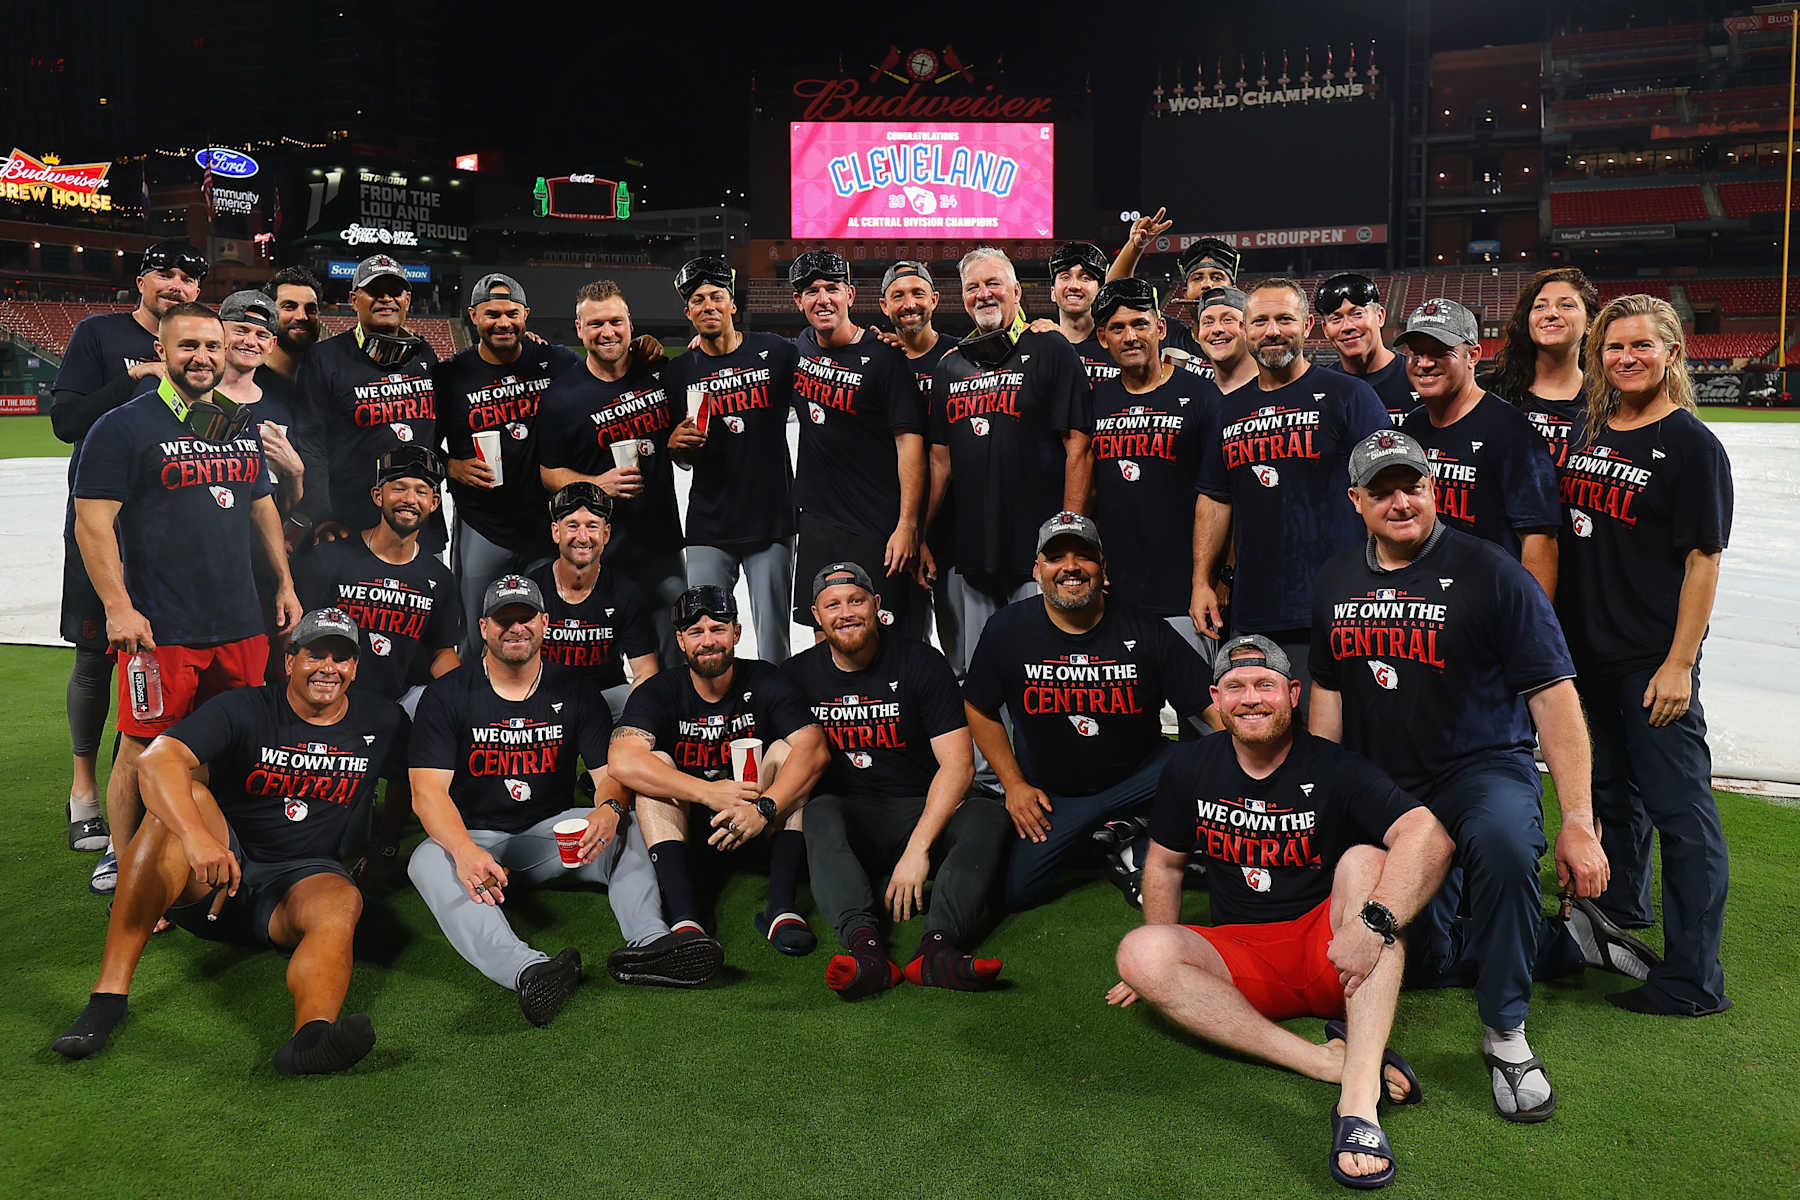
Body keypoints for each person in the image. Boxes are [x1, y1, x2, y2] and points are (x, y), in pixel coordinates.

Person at [1310, 429, 1657, 1123]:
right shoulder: (1336, 580)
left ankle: (1506, 1034)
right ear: (1356, 501)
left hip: (1482, 766)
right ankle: (1561, 942)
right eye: (1381, 491)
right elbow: (1329, 696)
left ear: (1434, 487)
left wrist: (1579, 820)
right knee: (1428, 956)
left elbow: (1554, 697)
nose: (1400, 501)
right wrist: (1324, 795)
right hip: (1390, 783)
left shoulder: (1493, 571)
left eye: (1412, 485)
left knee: (1501, 851)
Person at [1110, 636, 1453, 1190]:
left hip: (1334, 956)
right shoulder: (1189, 766)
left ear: (1292, 694)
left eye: (1265, 685)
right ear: (1215, 699)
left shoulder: (1334, 764)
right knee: (1137, 951)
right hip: (1243, 961)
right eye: (1236, 687)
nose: (1251, 698)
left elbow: (1429, 836)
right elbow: (1166, 866)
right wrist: (1156, 969)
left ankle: (1358, 1105)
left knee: (1368, 861)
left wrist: (1375, 924)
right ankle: (1322, 1061)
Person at [51, 608, 404, 1074]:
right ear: (289, 660)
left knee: (343, 900)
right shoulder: (246, 707)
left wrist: (383, 848)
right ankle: (107, 1000)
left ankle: (312, 1037)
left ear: (355, 668)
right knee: (178, 806)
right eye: (315, 655)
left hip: (298, 888)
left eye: (341, 658)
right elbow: (155, 763)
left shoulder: (384, 720)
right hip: (216, 872)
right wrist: (196, 839)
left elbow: (414, 783)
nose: (328, 668)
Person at [408, 575, 719, 1025]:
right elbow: (427, 793)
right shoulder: (448, 693)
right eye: (503, 619)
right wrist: (463, 851)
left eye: (526, 617)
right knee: (424, 860)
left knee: (631, 827)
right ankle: (528, 970)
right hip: (475, 837)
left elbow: (606, 777)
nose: (516, 628)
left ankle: (652, 944)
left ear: (545, 623)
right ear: (483, 627)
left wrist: (610, 809)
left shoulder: (574, 689)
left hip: (551, 833)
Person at [73, 303, 302, 895]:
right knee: (141, 749)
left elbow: (261, 505)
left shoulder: (236, 424)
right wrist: (119, 606)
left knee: (236, 744)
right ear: (162, 354)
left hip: (240, 622)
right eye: (187, 347)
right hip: (162, 628)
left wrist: (283, 581)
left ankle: (223, 852)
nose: (201, 358)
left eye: (211, 347)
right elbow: (92, 525)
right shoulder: (123, 426)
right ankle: (128, 872)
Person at [1558, 295, 1733, 1017]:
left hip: (1650, 659)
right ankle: (1621, 918)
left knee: (1682, 814)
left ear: (1672, 354)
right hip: (1589, 653)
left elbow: (1704, 559)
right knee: (1612, 797)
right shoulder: (1592, 426)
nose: (1625, 358)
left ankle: (1694, 980)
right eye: (1612, 348)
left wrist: (1679, 664)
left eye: (1640, 346)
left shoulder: (1692, 445)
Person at [963, 513, 1210, 910]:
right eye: (1056, 557)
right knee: (1018, 891)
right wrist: (1014, 785)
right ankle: (1120, 837)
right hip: (1056, 795)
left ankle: (1136, 838)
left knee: (1210, 761)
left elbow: (1209, 705)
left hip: (1141, 776)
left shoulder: (1143, 626)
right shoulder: (1007, 629)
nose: (1071, 567)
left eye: (1084, 556)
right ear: (1038, 570)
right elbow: (978, 707)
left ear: (1103, 568)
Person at [49, 241, 206, 860]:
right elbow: (66, 422)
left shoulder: (197, 341)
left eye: (188, 276)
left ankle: (149, 789)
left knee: (162, 664)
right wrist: (133, 379)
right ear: (141, 279)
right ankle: (83, 789)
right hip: (102, 525)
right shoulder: (99, 334)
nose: (176, 284)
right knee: (95, 656)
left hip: (172, 534)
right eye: (164, 272)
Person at [785, 563, 1008, 997]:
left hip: (921, 807)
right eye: (833, 605)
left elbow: (958, 765)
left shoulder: (921, 661)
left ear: (876, 606)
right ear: (816, 615)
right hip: (852, 815)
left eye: (856, 600)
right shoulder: (797, 675)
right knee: (820, 811)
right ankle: (867, 953)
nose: (846, 612)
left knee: (987, 816)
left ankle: (938, 950)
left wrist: (918, 849)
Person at [1192, 279, 1391, 711]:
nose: (1272, 331)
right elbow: (1214, 499)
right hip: (1257, 606)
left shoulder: (1351, 396)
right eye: (1260, 321)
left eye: (1284, 319)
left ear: (1307, 325)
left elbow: (1387, 492)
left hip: (1344, 603)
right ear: (1244, 330)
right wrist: (1201, 581)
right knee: (1272, 733)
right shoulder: (1228, 410)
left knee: (1351, 738)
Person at [607, 587, 830, 960]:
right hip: (689, 832)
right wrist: (708, 793)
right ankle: (686, 920)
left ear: (737, 633)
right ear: (680, 640)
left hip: (758, 823)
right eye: (696, 632)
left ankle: (780, 907)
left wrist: (763, 810)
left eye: (718, 629)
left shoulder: (765, 679)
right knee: (654, 763)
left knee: (787, 751)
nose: (708, 641)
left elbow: (815, 749)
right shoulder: (660, 689)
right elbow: (622, 761)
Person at [927, 247, 1093, 674]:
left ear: (1017, 292)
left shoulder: (1050, 347)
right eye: (972, 287)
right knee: (981, 674)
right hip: (973, 552)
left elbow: (1079, 446)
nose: (983, 294)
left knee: (1043, 670)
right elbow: (940, 465)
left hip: (1036, 551)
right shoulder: (950, 367)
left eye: (993, 284)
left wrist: (1068, 536)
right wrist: (919, 535)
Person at [537, 280, 691, 664]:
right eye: (596, 324)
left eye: (615, 322)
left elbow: (684, 442)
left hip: (660, 542)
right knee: (597, 664)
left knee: (673, 648)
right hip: (598, 549)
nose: (608, 332)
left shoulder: (657, 372)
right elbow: (548, 472)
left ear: (630, 323)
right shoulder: (562, 397)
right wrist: (595, 484)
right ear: (579, 329)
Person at [435, 273, 582, 659]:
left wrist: (644, 350)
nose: (503, 322)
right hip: (483, 523)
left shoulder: (556, 361)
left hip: (545, 524)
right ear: (472, 316)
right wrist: (452, 466)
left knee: (548, 628)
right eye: (492, 314)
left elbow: (605, 380)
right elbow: (423, 443)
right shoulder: (451, 375)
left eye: (512, 314)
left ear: (526, 315)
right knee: (476, 626)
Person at [660, 256, 798, 661]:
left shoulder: (774, 352)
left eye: (716, 297)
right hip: (709, 522)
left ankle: (777, 718)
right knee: (702, 632)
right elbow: (679, 456)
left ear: (732, 304)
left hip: (770, 520)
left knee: (774, 641)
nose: (708, 306)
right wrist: (675, 446)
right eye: (698, 300)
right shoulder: (679, 371)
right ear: (688, 312)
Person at [787, 250, 926, 637]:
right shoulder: (798, 349)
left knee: (884, 638)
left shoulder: (885, 358)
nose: (823, 298)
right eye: (811, 291)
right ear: (798, 302)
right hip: (817, 525)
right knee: (825, 634)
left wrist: (907, 525)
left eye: (831, 288)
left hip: (876, 526)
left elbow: (909, 444)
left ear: (850, 294)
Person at [1392, 299, 1560, 594]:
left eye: (1440, 353)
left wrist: (1532, 625)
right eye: (1416, 353)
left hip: (1488, 603)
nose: (1425, 364)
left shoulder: (1511, 430)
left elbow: (1539, 539)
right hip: (1425, 602)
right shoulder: (1412, 426)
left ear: (1472, 356)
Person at [1088, 278, 1218, 657]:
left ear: (1160, 328)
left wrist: (1210, 579)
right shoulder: (1098, 399)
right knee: (1128, 711)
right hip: (1118, 591)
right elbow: (1094, 489)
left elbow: (1221, 495)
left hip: (1186, 592)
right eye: (1117, 328)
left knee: (1201, 711)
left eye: (1140, 324)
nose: (1130, 337)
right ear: (1102, 338)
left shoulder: (1201, 395)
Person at [291, 446, 461, 709]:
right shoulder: (328, 559)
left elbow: (442, 653)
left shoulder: (440, 578)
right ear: (378, 496)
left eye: (421, 492)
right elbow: (294, 639)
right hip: (329, 698)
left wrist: (465, 702)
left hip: (400, 703)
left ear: (434, 503)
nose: (410, 499)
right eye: (399, 488)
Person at [293, 254, 441, 546]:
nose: (386, 299)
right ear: (354, 299)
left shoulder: (424, 353)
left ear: (407, 300)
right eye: (374, 291)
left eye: (394, 292)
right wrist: (322, 514)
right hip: (350, 523)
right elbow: (310, 443)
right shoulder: (325, 358)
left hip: (419, 521)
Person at [877, 261, 962, 665]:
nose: (908, 304)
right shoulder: (879, 358)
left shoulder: (963, 355)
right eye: (898, 296)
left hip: (955, 521)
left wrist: (1042, 326)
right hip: (897, 523)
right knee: (906, 640)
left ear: (934, 299)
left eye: (916, 294)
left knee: (959, 641)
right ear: (883, 306)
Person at [526, 483, 659, 719]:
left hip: (607, 696)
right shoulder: (531, 588)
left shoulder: (626, 591)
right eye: (573, 526)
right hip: (543, 695)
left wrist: (633, 726)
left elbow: (645, 671)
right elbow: (499, 661)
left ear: (606, 534)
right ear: (556, 532)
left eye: (592, 526)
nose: (583, 537)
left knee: (644, 714)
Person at [1485, 268, 1602, 469]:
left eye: (1566, 305)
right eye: (1540, 306)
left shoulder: (1607, 400)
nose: (1551, 314)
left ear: (1590, 323)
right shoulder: (1488, 391)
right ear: (1528, 319)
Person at [1104, 209, 1220, 365]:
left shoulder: (1249, 341)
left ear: (1234, 289)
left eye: (1217, 277)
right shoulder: (1167, 334)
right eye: (1197, 278)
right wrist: (1134, 247)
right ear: (1185, 293)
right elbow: (1113, 296)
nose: (1207, 285)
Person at [1317, 274, 1416, 420]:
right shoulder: (1320, 387)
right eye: (1335, 319)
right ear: (1325, 329)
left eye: (1357, 314)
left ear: (1380, 317)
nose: (1347, 326)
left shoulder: (1418, 376)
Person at [1029, 241, 1116, 384]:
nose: (1074, 286)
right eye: (1065, 277)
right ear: (1052, 293)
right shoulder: (1038, 348)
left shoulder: (1117, 344)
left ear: (1100, 292)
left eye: (1085, 278)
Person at [262, 265, 324, 383]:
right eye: (289, 307)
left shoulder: (331, 381)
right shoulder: (244, 381)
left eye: (311, 309)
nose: (302, 317)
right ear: (268, 313)